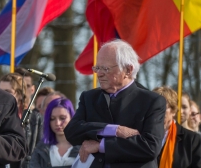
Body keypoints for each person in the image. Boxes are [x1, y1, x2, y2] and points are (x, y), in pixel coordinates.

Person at [65, 39, 165, 167]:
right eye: (97, 68)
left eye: (105, 68)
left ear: (128, 70)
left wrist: (101, 146)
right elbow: (72, 131)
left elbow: (150, 146)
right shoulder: (89, 97)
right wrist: (113, 130)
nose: (99, 74)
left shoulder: (151, 101)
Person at [0, 73, 41, 168]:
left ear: (20, 94)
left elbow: (40, 149)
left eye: (7, 91)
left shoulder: (34, 118)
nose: (1, 95)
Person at [151, 86, 201, 168]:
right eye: (154, 107)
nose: (157, 111)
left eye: (162, 107)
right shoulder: (142, 135)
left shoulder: (192, 140)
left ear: (173, 110)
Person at [29, 98, 80, 168]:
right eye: (52, 119)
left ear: (71, 117)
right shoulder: (41, 148)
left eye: (62, 118)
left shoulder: (83, 146)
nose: (57, 123)